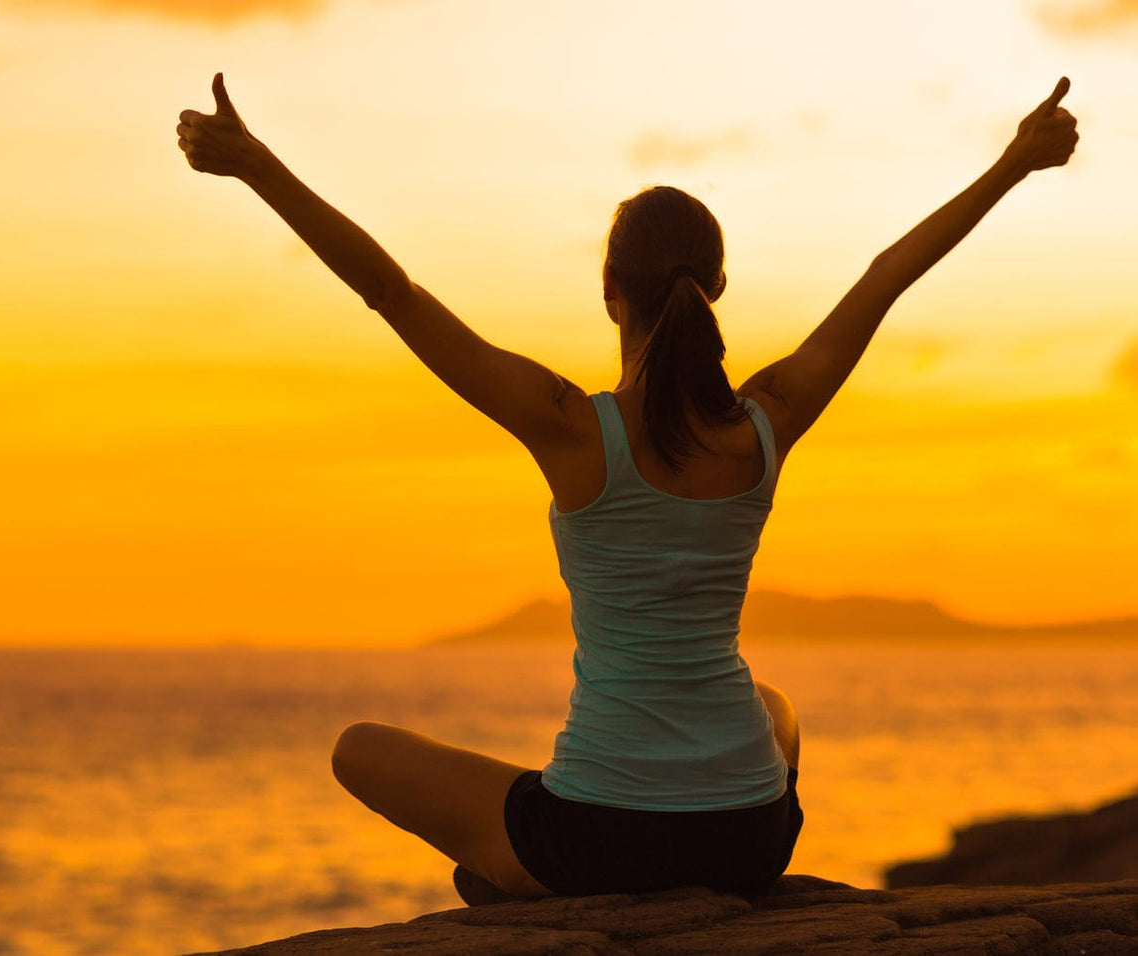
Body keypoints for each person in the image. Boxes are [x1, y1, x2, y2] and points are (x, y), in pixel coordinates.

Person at [175, 74, 1079, 902]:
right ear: (717, 286)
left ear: (611, 294)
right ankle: (530, 858)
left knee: (358, 750)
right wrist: (1013, 165)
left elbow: (389, 289)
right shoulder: (767, 424)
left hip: (598, 843)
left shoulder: (570, 427)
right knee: (774, 706)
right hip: (751, 839)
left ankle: (512, 868)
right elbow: (888, 277)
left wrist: (255, 166)